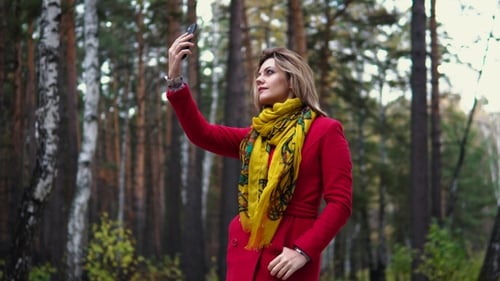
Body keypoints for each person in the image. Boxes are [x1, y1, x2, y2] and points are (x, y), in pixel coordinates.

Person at [166, 31, 352, 281]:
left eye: (269, 72)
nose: (259, 80)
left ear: (292, 80)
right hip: (245, 253)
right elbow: (202, 134)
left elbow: (340, 203)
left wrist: (304, 250)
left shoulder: (326, 130)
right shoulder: (256, 137)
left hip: (287, 261)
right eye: (258, 74)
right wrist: (176, 80)